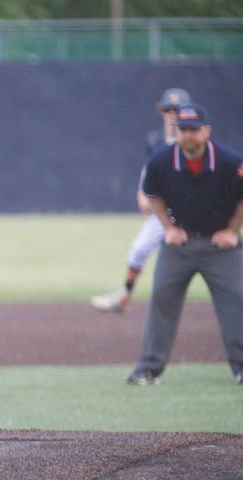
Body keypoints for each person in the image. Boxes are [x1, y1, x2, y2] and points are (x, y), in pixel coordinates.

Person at [125, 103, 243, 385]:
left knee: (237, 299)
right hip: (179, 246)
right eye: (183, 129)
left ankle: (241, 366)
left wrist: (232, 230)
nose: (188, 135)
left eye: (193, 129)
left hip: (220, 247)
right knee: (161, 297)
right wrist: (168, 228)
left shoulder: (229, 162)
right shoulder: (161, 161)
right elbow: (152, 195)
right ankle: (148, 369)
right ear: (176, 132)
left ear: (207, 131)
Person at [91, 88, 192, 313]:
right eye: (168, 109)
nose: (172, 114)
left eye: (177, 109)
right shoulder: (155, 140)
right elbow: (149, 171)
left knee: (208, 255)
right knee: (138, 250)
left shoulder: (194, 140)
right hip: (164, 212)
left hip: (193, 213)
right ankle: (125, 295)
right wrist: (143, 194)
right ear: (162, 111)